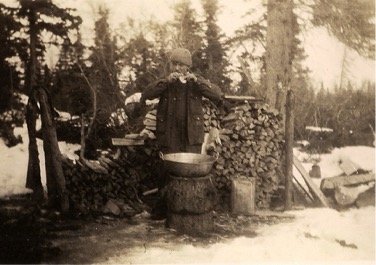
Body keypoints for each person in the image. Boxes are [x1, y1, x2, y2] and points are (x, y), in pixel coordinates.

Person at [139, 48, 226, 219]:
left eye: (181, 65)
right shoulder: (166, 83)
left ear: (188, 67)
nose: (177, 68)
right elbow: (147, 94)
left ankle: (189, 210)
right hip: (169, 136)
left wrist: (198, 82)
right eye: (175, 64)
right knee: (166, 172)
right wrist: (165, 81)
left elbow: (217, 95)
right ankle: (162, 212)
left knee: (191, 175)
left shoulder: (196, 82)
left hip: (191, 136)